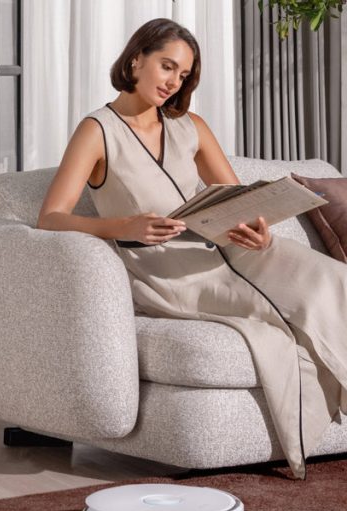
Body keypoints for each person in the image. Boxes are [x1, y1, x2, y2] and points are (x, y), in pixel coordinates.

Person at [37, 18, 347, 479]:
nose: (172, 82)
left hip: (233, 251)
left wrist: (258, 230)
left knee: (333, 279)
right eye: (167, 66)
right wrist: (127, 225)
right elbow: (51, 218)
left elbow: (242, 200)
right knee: (275, 318)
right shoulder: (97, 130)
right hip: (169, 272)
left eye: (183, 75)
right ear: (136, 58)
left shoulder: (191, 126)